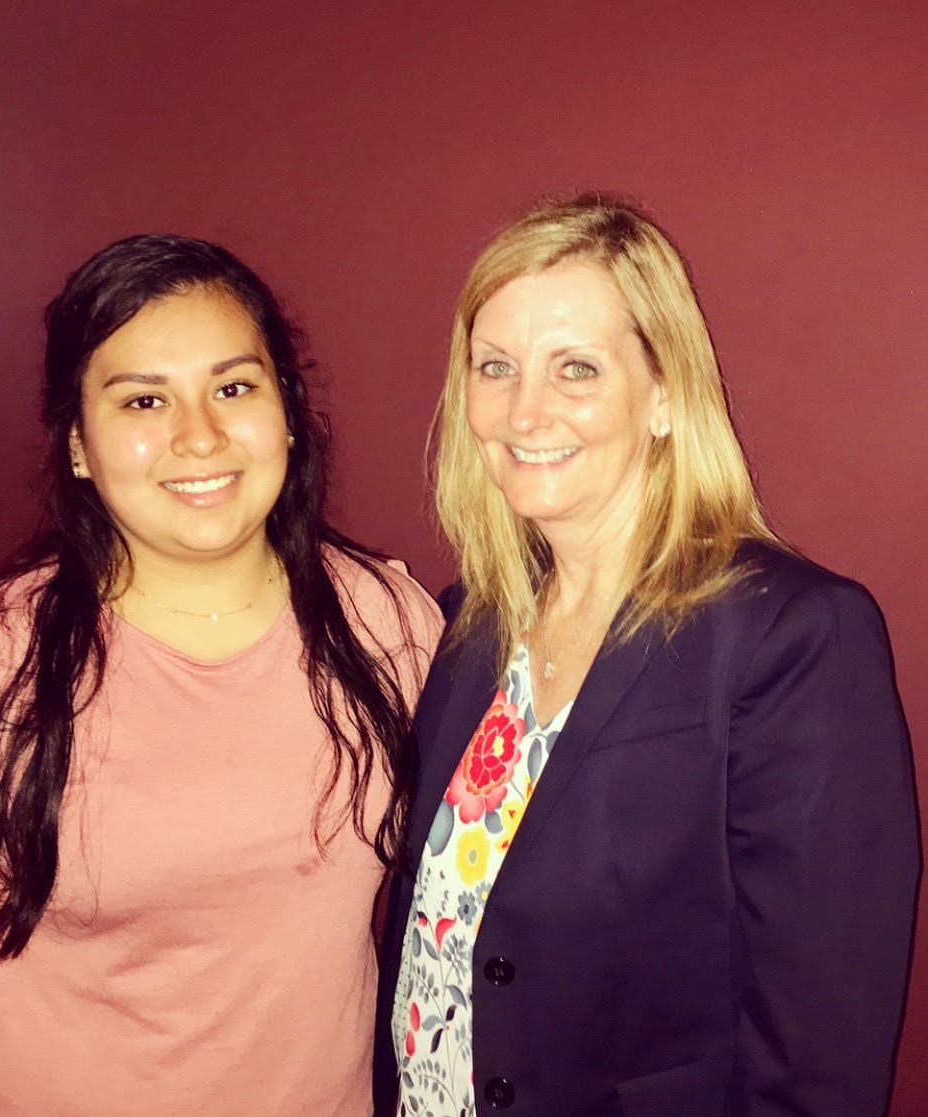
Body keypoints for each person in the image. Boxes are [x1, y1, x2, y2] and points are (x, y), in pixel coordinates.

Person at [0, 234, 443, 1117]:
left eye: (234, 387)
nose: (199, 435)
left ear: (288, 412)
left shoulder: (390, 625)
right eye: (143, 400)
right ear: (78, 445)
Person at [374, 195, 918, 1116]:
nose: (524, 410)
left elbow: (819, 1051)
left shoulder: (790, 637)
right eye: (495, 367)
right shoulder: (467, 622)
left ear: (663, 394)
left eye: (575, 368)